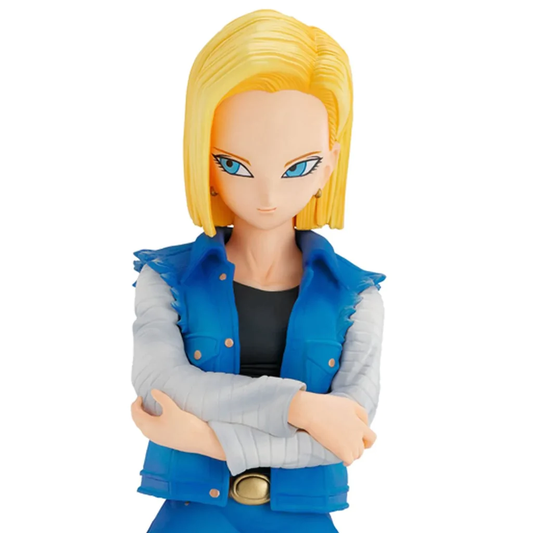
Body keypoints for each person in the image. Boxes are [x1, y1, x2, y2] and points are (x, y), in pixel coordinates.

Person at [130, 9, 386, 533]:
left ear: (329, 163)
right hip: (191, 517)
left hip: (304, 518)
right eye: (234, 164)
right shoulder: (166, 278)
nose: (267, 194)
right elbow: (161, 386)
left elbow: (345, 436)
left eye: (298, 167)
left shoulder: (357, 296)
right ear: (202, 155)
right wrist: (301, 409)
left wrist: (203, 439)